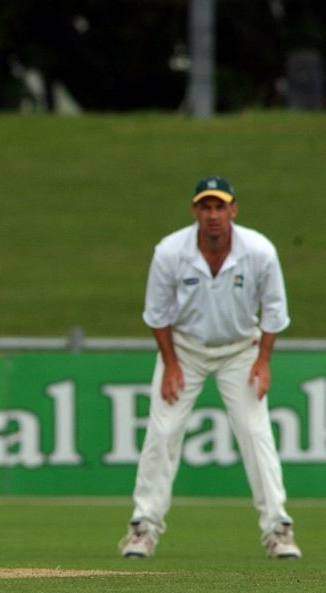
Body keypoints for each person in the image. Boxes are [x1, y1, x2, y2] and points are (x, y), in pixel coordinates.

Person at [118, 176, 301, 560]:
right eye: (206, 207)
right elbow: (156, 313)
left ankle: (278, 530)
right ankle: (143, 528)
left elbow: (274, 311)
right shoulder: (170, 251)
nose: (213, 215)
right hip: (184, 347)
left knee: (254, 431)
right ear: (195, 211)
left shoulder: (259, 251)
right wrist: (170, 363)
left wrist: (263, 361)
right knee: (163, 431)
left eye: (220, 207)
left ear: (234, 210)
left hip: (240, 349)